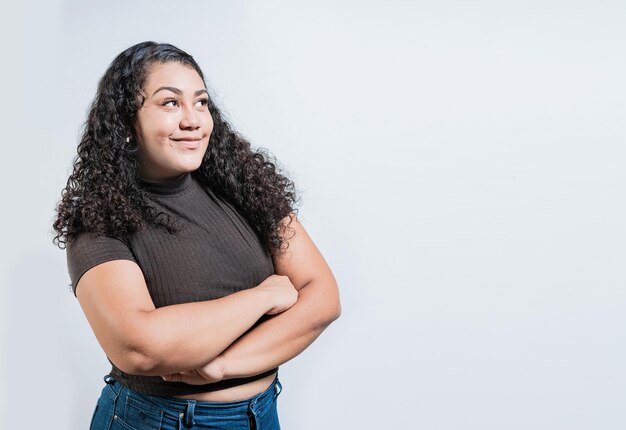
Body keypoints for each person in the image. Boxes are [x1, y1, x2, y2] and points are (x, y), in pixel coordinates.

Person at [52, 41, 341, 429]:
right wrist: (263, 296)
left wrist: (221, 366)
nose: (193, 120)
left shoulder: (244, 186)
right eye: (170, 103)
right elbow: (140, 347)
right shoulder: (100, 216)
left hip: (262, 414)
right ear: (126, 125)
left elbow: (322, 299)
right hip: (158, 421)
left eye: (201, 102)